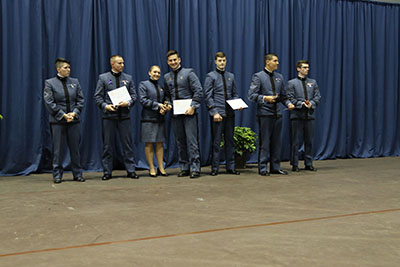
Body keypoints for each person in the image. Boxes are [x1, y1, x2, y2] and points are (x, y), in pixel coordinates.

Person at [248, 53, 294, 176]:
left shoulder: (280, 77)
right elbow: (251, 95)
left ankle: (275, 167)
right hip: (264, 114)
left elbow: (284, 96)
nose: (278, 63)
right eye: (275, 61)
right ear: (268, 62)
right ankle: (263, 167)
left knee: (277, 142)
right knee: (265, 142)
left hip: (277, 114)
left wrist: (289, 104)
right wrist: (265, 98)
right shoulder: (258, 76)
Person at [94, 54, 139, 180]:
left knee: (127, 145)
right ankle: (107, 171)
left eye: (123, 63)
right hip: (109, 117)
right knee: (107, 145)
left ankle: (131, 170)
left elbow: (134, 96)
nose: (122, 65)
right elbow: (97, 97)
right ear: (112, 64)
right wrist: (105, 106)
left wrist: (128, 102)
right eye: (119, 63)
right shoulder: (103, 78)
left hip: (124, 116)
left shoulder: (128, 78)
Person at [43, 58, 85, 184]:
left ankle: (77, 174)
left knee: (75, 149)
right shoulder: (50, 83)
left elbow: (80, 100)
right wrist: (62, 115)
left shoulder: (75, 82)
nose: (68, 70)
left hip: (73, 120)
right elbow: (49, 102)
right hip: (58, 121)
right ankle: (57, 175)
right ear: (58, 69)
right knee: (58, 149)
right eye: (66, 68)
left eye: (69, 67)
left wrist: (74, 113)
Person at [164, 50, 203, 178]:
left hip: (189, 113)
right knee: (180, 141)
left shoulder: (189, 73)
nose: (173, 62)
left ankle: (195, 168)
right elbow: (167, 96)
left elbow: (198, 91)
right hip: (176, 114)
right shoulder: (166, 77)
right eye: (170, 60)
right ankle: (184, 167)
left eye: (175, 60)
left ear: (179, 60)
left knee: (192, 141)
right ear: (168, 62)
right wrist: (168, 103)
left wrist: (193, 106)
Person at [204, 52, 241, 176]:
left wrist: (237, 104)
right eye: (219, 60)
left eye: (224, 60)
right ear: (215, 62)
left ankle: (230, 167)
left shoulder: (231, 76)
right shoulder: (210, 76)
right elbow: (208, 96)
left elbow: (235, 94)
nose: (222, 63)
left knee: (230, 141)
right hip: (218, 114)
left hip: (230, 114)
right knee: (217, 142)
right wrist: (214, 112)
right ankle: (215, 168)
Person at [287, 60, 321, 172]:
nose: (307, 69)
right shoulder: (292, 83)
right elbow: (290, 97)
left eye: (308, 67)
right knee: (295, 141)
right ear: (298, 69)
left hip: (309, 115)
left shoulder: (313, 82)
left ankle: (309, 163)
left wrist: (312, 103)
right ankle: (295, 164)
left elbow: (317, 97)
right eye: (305, 67)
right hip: (297, 115)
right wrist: (300, 104)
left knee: (309, 141)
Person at [138, 65, 171, 177]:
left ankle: (161, 167)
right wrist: (158, 106)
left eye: (158, 73)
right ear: (149, 72)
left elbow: (166, 99)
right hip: (148, 118)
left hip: (160, 118)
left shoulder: (161, 86)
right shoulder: (143, 85)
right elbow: (143, 100)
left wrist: (166, 107)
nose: (156, 74)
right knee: (149, 143)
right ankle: (151, 167)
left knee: (160, 143)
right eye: (154, 72)